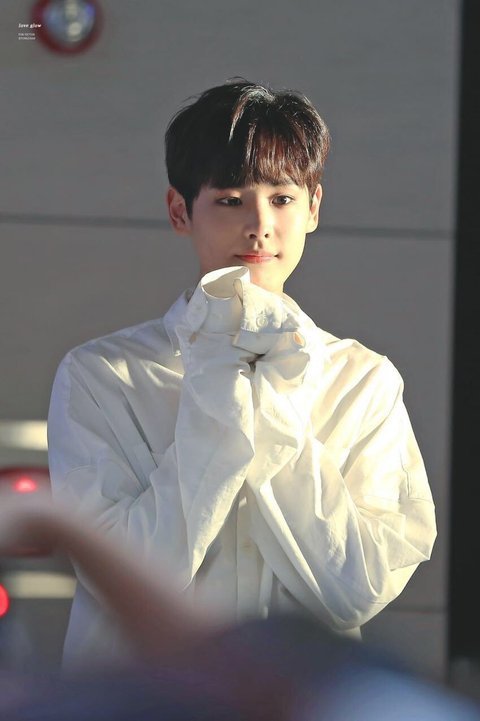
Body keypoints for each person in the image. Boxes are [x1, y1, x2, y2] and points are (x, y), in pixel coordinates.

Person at [47, 78, 437, 670]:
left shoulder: (363, 381)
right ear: (180, 210)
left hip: (298, 700)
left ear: (313, 208)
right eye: (230, 200)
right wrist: (220, 382)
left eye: (282, 198)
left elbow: (357, 586)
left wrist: (273, 395)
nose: (259, 224)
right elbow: (122, 576)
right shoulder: (102, 376)